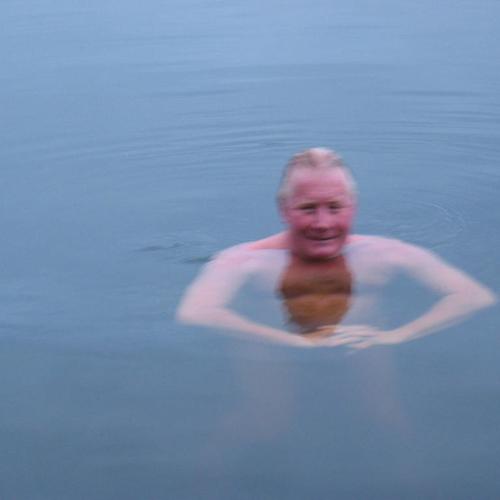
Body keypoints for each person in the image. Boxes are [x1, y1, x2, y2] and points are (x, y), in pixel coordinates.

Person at [176, 148, 495, 348]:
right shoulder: (245, 260)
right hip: (270, 351)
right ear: (284, 210)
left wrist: (397, 335)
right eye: (308, 208)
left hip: (365, 346)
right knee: (265, 418)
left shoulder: (385, 254)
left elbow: (473, 296)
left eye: (334, 207)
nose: (323, 223)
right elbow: (196, 312)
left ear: (353, 207)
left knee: (386, 414)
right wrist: (289, 342)